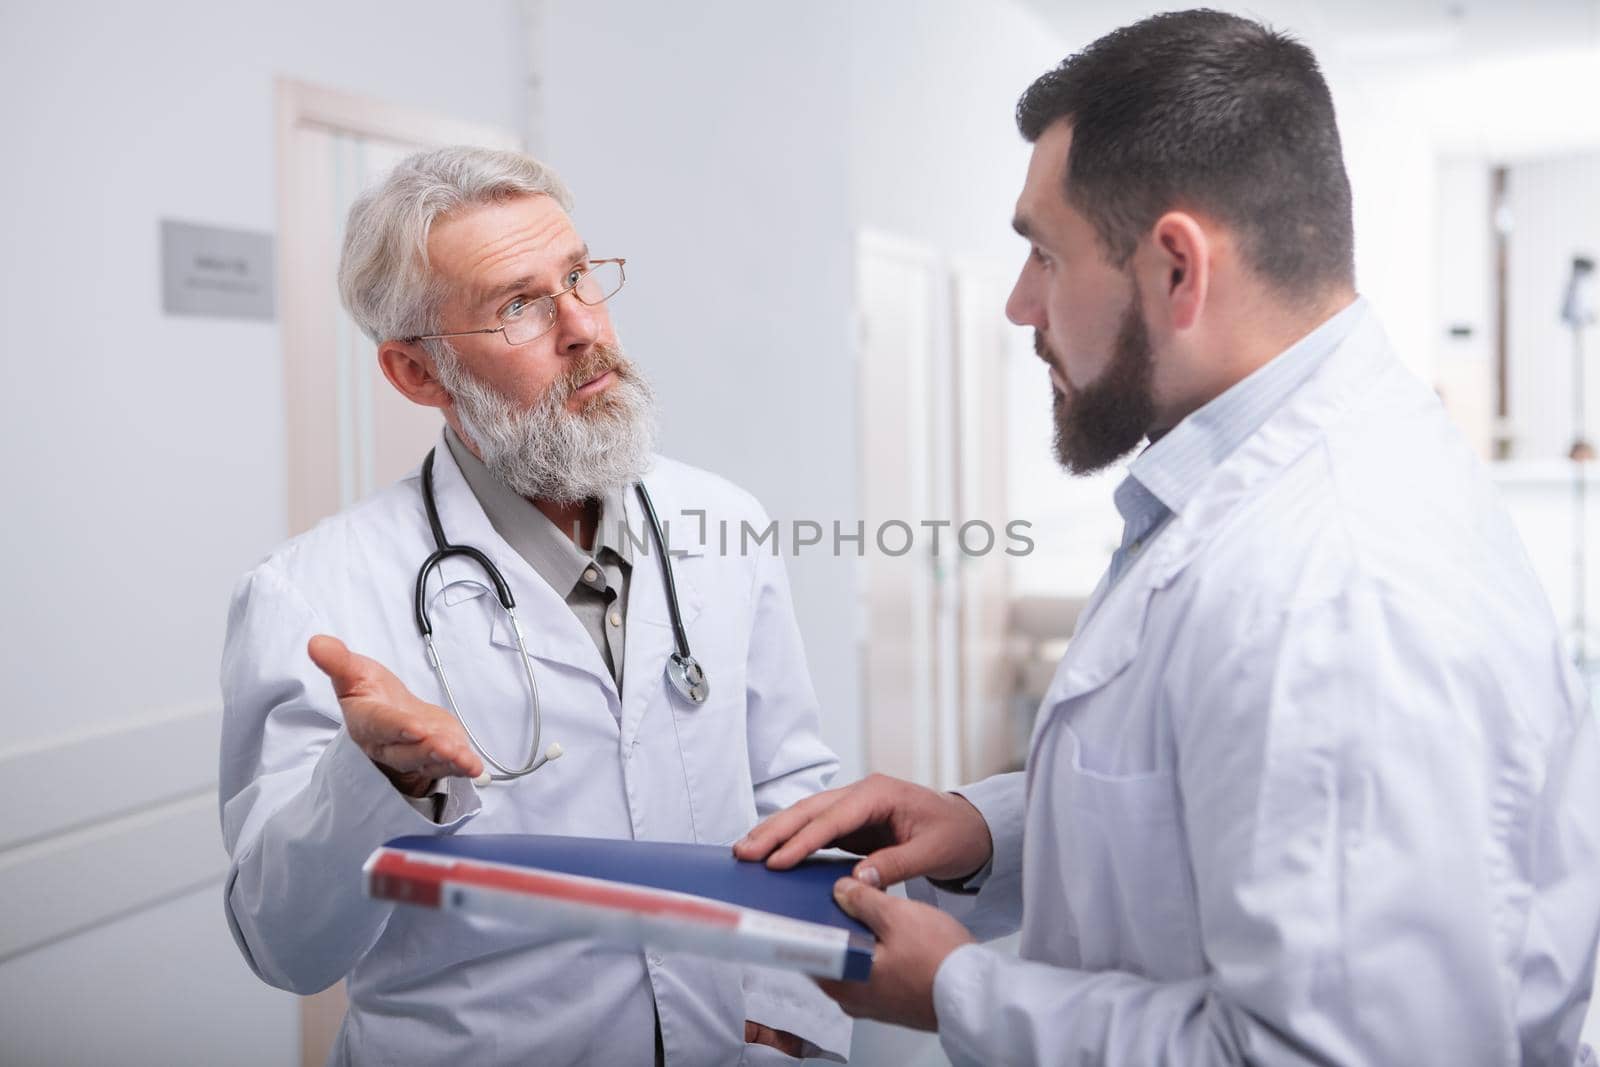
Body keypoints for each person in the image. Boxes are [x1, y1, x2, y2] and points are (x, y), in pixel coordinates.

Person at [737, 10, 1600, 1065]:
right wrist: (984, 831)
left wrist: (958, 988)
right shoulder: (1251, 486)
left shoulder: (1337, 588)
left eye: (1043, 256)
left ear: (1178, 267)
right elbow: (1213, 804)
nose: (1019, 307)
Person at [219, 146, 850, 1064]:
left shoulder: (724, 520)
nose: (584, 325)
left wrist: (798, 1022)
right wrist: (373, 788)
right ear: (416, 373)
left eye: (580, 276)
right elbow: (283, 944)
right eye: (519, 305)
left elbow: (792, 791)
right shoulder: (312, 593)